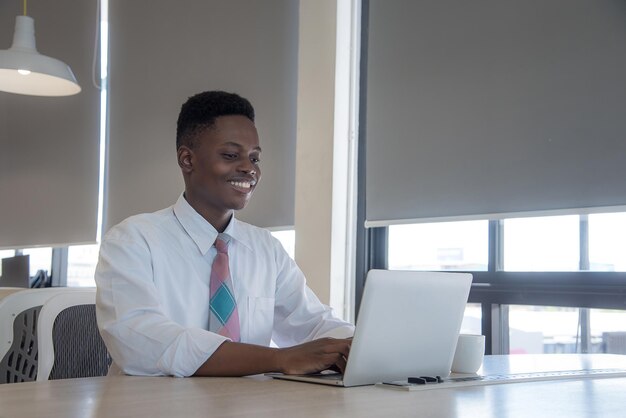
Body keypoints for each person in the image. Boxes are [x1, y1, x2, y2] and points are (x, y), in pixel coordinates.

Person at [95, 91, 354, 377]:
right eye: (231, 155)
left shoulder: (266, 248)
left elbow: (312, 323)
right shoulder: (132, 240)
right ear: (187, 160)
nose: (248, 168)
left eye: (254, 158)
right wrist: (279, 359)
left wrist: (355, 345)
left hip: (249, 406)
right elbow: (142, 341)